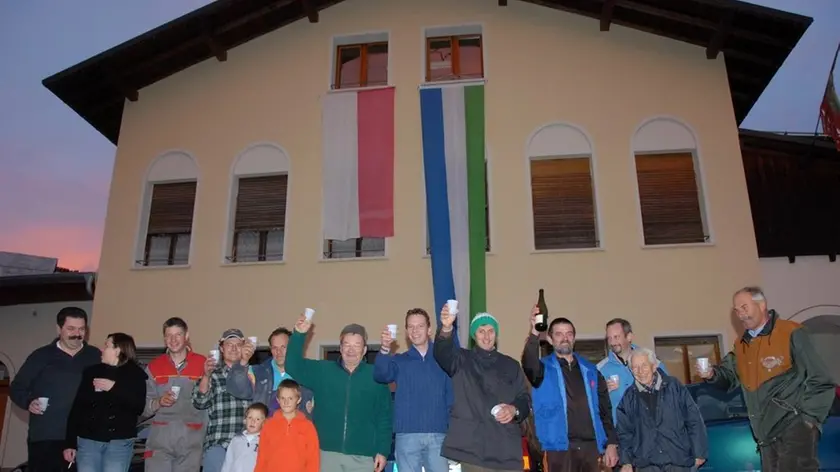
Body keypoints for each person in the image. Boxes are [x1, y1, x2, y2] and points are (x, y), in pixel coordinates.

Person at [698, 286, 835, 472]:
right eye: (736, 310)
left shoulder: (791, 333)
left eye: (744, 307)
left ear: (762, 305)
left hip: (794, 429)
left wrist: (807, 422)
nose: (740, 314)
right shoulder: (742, 345)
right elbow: (728, 377)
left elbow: (821, 379)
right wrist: (712, 374)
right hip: (765, 436)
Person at [286, 316, 393, 472]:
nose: (351, 350)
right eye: (346, 345)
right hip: (326, 454)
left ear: (364, 350)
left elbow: (384, 418)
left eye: (357, 345)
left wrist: (383, 451)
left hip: (362, 457)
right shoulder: (323, 371)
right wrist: (298, 335)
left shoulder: (376, 376)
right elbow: (292, 366)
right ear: (340, 348)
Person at [434, 306, 530, 472]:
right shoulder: (461, 359)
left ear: (496, 334)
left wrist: (514, 410)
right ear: (474, 335)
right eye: (481, 331)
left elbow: (525, 399)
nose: (486, 336)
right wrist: (447, 327)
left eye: (491, 331)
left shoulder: (511, 365)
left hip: (506, 452)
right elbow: (442, 352)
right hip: (473, 452)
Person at [522, 310, 619, 472]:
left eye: (569, 333)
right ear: (550, 339)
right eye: (559, 334)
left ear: (574, 338)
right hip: (557, 449)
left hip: (591, 448)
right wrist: (534, 332)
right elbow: (528, 362)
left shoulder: (591, 370)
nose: (564, 338)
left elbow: (605, 410)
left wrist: (611, 443)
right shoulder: (541, 368)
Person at [10, 306, 102, 472]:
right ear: (59, 329)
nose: (77, 334)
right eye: (71, 329)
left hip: (84, 438)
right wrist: (28, 402)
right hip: (46, 436)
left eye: (81, 329)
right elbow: (17, 388)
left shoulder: (95, 356)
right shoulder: (41, 356)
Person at [374, 308, 452, 472]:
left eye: (420, 326)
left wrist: (450, 428)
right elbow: (381, 375)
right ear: (406, 331)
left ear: (429, 329)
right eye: (411, 327)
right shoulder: (399, 361)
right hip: (407, 436)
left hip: (438, 434)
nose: (415, 331)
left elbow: (450, 396)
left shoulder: (443, 358)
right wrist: (385, 349)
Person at [63, 333, 148, 472]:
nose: (102, 350)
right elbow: (78, 408)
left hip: (119, 443)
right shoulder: (91, 372)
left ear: (118, 350)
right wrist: (70, 443)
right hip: (88, 441)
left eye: (106, 346)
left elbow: (138, 407)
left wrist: (114, 388)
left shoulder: (136, 375)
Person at [615, 348, 707, 472]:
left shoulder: (674, 387)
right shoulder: (628, 397)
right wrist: (626, 462)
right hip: (647, 465)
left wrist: (699, 452)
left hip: (678, 461)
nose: (640, 371)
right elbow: (624, 433)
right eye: (635, 367)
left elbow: (694, 419)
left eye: (644, 366)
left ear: (654, 367)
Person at [142, 317, 207, 472]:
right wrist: (158, 402)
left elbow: (210, 402)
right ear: (164, 339)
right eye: (169, 335)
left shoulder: (203, 364)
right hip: (160, 442)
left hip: (191, 441)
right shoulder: (154, 367)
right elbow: (143, 406)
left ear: (187, 336)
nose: (173, 339)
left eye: (178, 334)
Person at [192, 329, 252, 472]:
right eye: (229, 344)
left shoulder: (253, 374)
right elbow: (199, 403)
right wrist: (206, 376)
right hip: (218, 445)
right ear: (221, 348)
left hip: (247, 446)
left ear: (244, 348)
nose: (233, 348)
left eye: (238, 344)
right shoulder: (212, 374)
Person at [226, 327, 314, 418]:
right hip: (266, 430)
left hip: (299, 431)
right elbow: (236, 390)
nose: (278, 352)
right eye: (274, 348)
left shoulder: (308, 373)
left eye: (283, 347)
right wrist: (243, 361)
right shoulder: (257, 373)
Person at [596, 318, 667, 423]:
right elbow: (593, 405)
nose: (612, 342)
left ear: (629, 337)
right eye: (609, 338)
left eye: (616, 337)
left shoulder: (652, 362)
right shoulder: (600, 369)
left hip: (653, 430)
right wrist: (602, 392)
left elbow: (669, 393)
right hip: (620, 434)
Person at [255, 379, 320, 472]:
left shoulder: (308, 426)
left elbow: (313, 459)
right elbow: (262, 457)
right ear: (278, 400)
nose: (286, 402)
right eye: (283, 398)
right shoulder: (268, 425)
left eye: (290, 398)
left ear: (298, 400)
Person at [221, 402, 268, 472]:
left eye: (257, 419)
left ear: (264, 423)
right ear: (245, 420)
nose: (253, 421)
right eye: (250, 417)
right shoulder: (236, 440)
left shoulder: (265, 442)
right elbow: (228, 462)